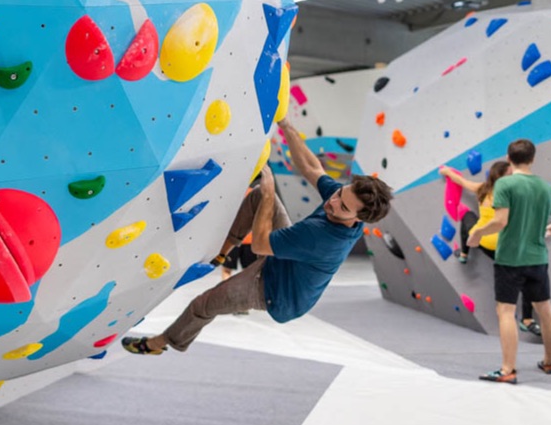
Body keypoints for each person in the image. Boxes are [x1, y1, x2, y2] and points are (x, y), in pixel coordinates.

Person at [121, 118, 393, 356]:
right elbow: (313, 168)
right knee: (260, 199)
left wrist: (267, 191)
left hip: (276, 292)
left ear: (359, 219)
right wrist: (286, 126)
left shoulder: (321, 238)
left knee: (204, 304)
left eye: (343, 207)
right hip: (286, 258)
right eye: (338, 194)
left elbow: (262, 245)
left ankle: (160, 342)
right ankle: (223, 251)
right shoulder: (342, 201)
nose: (333, 202)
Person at [465, 139, 551, 384]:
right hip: (538, 259)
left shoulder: (505, 183)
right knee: (545, 310)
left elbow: (500, 221)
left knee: (506, 311)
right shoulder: (545, 187)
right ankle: (549, 362)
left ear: (509, 159)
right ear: (532, 159)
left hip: (510, 259)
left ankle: (507, 370)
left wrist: (477, 233)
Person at [440, 163, 551, 335]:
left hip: (484, 243)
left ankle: (463, 253)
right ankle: (527, 319)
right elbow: (544, 192)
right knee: (526, 277)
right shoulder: (513, 194)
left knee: (468, 217)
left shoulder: (481, 188)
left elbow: (461, 181)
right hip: (506, 245)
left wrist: (446, 171)